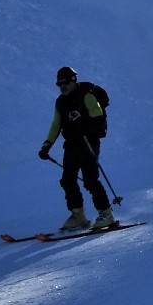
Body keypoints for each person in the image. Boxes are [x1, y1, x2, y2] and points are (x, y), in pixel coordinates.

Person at [39, 66, 114, 231]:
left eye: (65, 82)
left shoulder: (85, 95)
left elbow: (98, 114)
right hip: (72, 145)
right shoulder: (61, 101)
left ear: (73, 80)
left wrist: (82, 120)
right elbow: (56, 124)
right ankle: (78, 216)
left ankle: (106, 214)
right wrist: (47, 145)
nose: (62, 86)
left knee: (90, 179)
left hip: (89, 142)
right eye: (59, 83)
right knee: (67, 180)